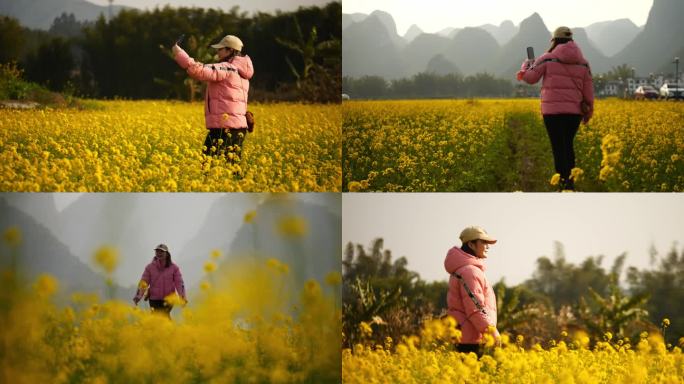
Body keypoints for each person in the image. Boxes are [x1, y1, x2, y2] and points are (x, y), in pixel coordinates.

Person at [516, 26, 594, 191]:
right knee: (568, 146)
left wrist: (526, 65)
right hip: (575, 113)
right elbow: (588, 90)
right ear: (572, 40)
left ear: (555, 41)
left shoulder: (547, 58)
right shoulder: (584, 63)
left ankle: (564, 186)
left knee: (559, 148)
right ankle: (570, 183)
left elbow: (530, 78)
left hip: (552, 113)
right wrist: (589, 111)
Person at [172, 34, 254, 171]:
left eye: (220, 49)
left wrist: (179, 53)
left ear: (230, 51)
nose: (217, 52)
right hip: (239, 128)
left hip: (224, 128)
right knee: (232, 167)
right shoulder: (242, 73)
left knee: (206, 166)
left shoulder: (227, 68)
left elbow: (199, 71)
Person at [444, 226, 500, 357]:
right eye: (484, 242)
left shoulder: (465, 269)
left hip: (468, 336)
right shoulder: (470, 271)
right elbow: (475, 308)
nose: (488, 246)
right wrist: (492, 332)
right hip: (471, 340)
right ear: (471, 244)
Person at [133, 244, 187, 318]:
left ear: (167, 254)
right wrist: (138, 296)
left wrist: (183, 297)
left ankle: (167, 329)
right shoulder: (150, 267)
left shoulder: (174, 268)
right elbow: (143, 282)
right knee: (157, 318)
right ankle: (169, 329)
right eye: (157, 251)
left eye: (161, 251)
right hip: (154, 300)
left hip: (169, 300)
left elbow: (180, 283)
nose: (159, 253)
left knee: (163, 317)